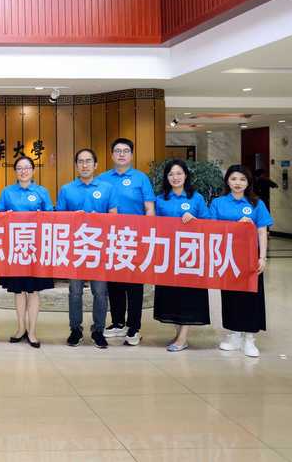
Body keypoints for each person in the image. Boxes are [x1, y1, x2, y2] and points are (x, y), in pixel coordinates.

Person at [56, 148, 117, 349]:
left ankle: (98, 330)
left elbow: (114, 216)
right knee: (75, 292)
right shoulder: (66, 189)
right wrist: (74, 217)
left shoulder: (107, 188)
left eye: (88, 161)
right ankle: (75, 329)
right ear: (76, 166)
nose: (84, 165)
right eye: (80, 161)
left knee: (100, 292)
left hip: (99, 248)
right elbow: (59, 219)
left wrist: (99, 219)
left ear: (95, 165)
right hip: (75, 249)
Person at [98, 138, 156, 346]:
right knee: (114, 283)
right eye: (117, 151)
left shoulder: (141, 178)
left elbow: (149, 209)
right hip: (110, 238)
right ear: (112, 155)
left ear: (131, 155)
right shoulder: (103, 179)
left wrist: (147, 236)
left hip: (135, 238)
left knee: (134, 285)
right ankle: (117, 322)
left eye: (125, 151)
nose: (121, 154)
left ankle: (134, 326)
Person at [210, 165, 271, 358]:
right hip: (227, 256)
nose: (238, 183)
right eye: (234, 179)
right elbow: (212, 229)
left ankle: (250, 338)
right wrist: (235, 226)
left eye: (242, 179)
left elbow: (262, 231)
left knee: (251, 295)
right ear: (227, 181)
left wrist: (262, 257)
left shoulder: (256, 203)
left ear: (248, 182)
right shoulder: (218, 203)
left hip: (250, 257)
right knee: (230, 296)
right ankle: (234, 334)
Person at [152, 159, 211, 352]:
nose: (175, 177)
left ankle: (183, 338)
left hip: (190, 255)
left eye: (179, 173)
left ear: (186, 175)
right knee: (172, 296)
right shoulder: (160, 199)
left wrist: (195, 220)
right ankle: (179, 334)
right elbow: (153, 225)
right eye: (171, 174)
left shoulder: (197, 198)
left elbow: (209, 224)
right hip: (168, 255)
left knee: (188, 295)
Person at [0, 156, 54, 348]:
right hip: (15, 248)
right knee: (19, 290)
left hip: (36, 247)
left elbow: (50, 216)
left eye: (27, 167)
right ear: (15, 172)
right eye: (19, 168)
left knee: (34, 290)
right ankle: (21, 328)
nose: (23, 171)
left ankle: (32, 331)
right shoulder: (7, 192)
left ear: (33, 170)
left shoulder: (41, 191)